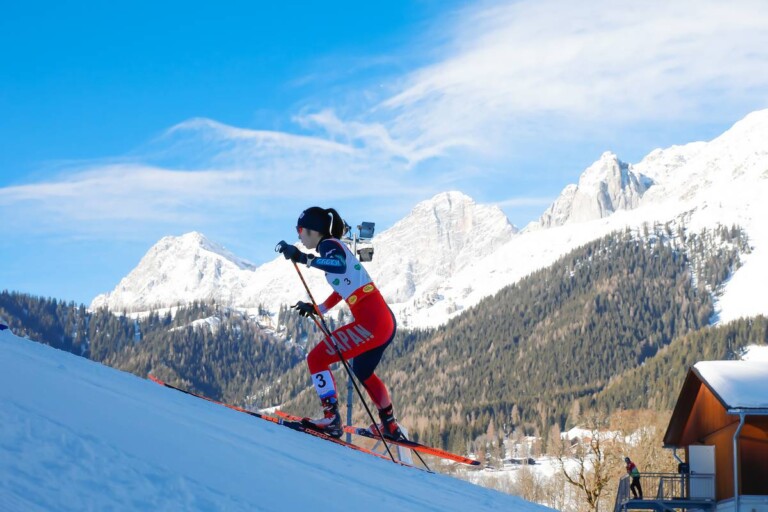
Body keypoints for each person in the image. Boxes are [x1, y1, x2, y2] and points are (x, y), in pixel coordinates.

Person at [276, 206, 404, 441]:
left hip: (371, 322)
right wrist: (319, 309)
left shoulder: (329, 245)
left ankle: (331, 419)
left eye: (300, 230)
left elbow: (338, 265)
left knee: (316, 359)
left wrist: (303, 258)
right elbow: (342, 289)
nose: (299, 236)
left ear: (313, 230)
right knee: (362, 370)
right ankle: (389, 425)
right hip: (382, 320)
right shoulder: (333, 246)